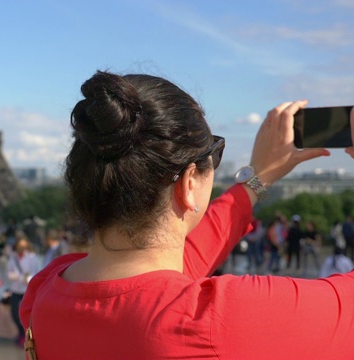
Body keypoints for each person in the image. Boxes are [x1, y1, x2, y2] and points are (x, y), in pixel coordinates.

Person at [18, 71, 351, 359]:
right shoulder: (219, 320)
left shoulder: (45, 290)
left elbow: (164, 272)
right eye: (214, 155)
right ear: (190, 182)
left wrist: (257, 180)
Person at [7, 236, 40, 347]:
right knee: (14, 313)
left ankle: (25, 335)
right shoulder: (13, 257)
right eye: (19, 245)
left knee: (26, 312)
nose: (21, 248)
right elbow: (9, 273)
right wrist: (18, 277)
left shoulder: (32, 257)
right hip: (15, 289)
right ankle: (21, 332)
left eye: (24, 245)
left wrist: (27, 278)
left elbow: (36, 272)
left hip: (27, 289)